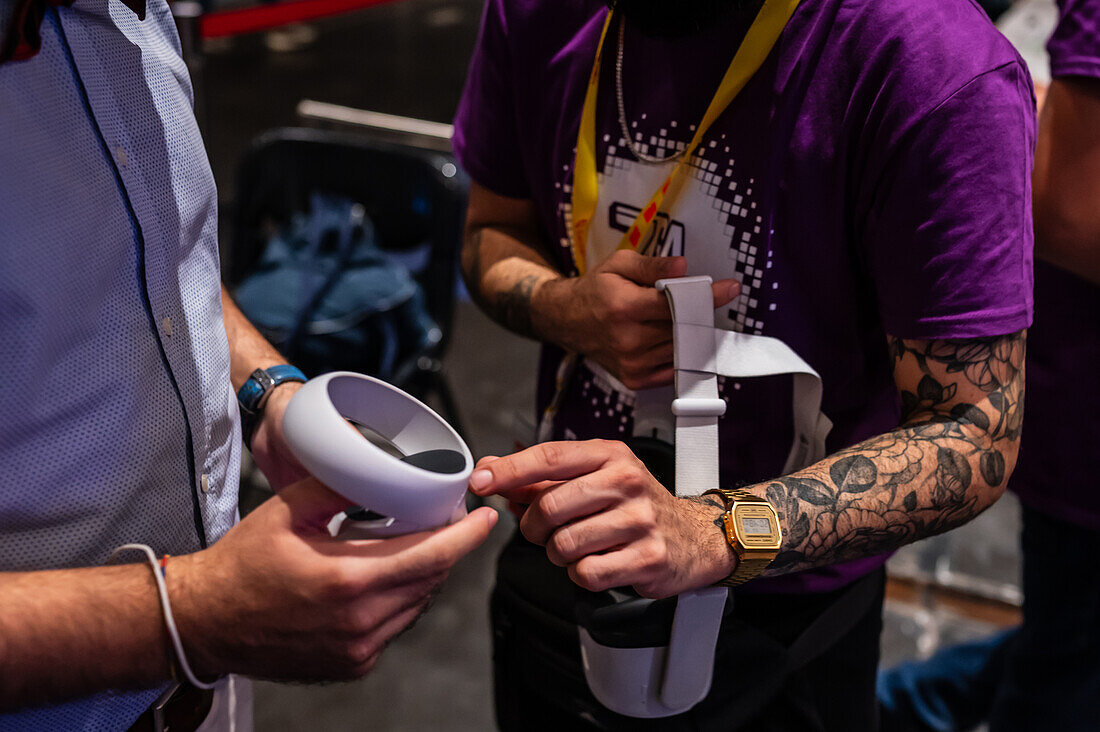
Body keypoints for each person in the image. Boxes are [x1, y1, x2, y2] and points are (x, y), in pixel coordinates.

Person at [453, 0, 1035, 729]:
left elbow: (974, 430)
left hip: (789, 616)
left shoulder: (928, 62)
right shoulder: (539, 16)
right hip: (566, 560)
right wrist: (558, 306)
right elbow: (492, 228)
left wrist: (716, 533)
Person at [0, 0, 497, 729]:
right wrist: (190, 615)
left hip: (210, 688)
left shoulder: (133, 24)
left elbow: (164, 262)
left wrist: (271, 394)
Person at [877, 0, 1100, 729]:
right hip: (1085, 430)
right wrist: (1001, 112)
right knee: (1064, 674)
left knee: (1063, 654)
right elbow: (1074, 210)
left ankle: (897, 707)